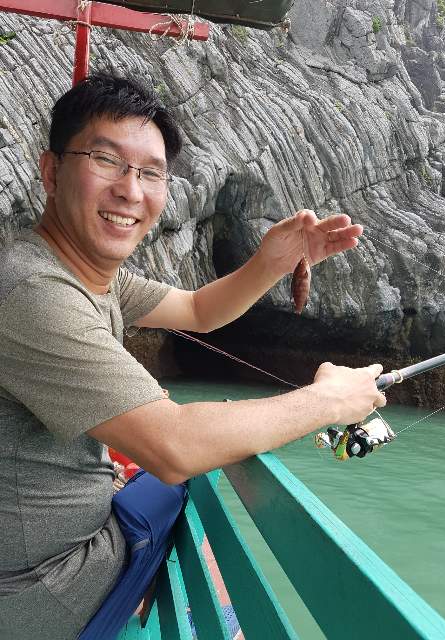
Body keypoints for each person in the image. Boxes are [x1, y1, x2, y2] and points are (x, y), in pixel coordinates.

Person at [0, 73, 386, 640]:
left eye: (151, 173)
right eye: (106, 160)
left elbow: (199, 310)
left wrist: (271, 262)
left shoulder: (87, 276)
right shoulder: (34, 292)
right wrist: (328, 401)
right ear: (51, 171)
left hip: (45, 558)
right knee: (176, 483)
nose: (131, 190)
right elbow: (175, 447)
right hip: (42, 593)